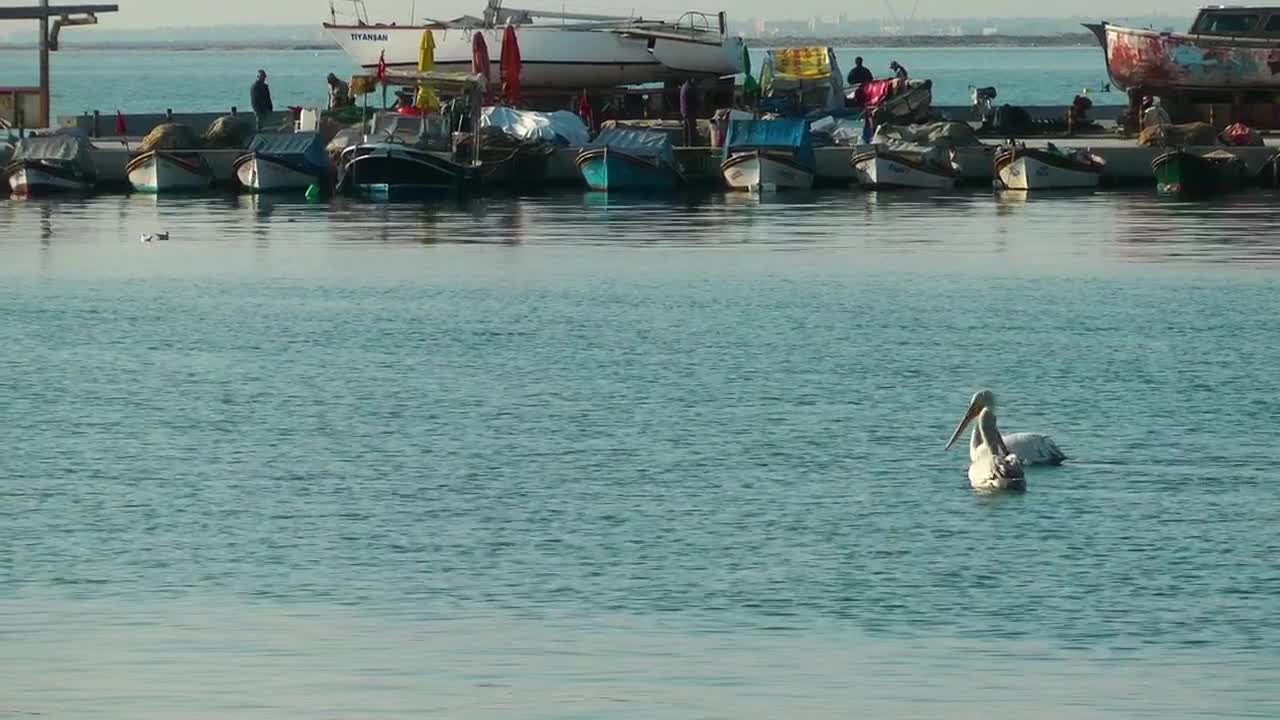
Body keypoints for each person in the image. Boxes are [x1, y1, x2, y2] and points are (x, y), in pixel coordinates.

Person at [679, 77, 699, 146]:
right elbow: (694, 100)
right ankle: (691, 144)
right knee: (691, 129)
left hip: (684, 111)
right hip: (689, 111)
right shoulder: (689, 88)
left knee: (686, 129)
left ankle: (685, 144)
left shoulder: (684, 86)